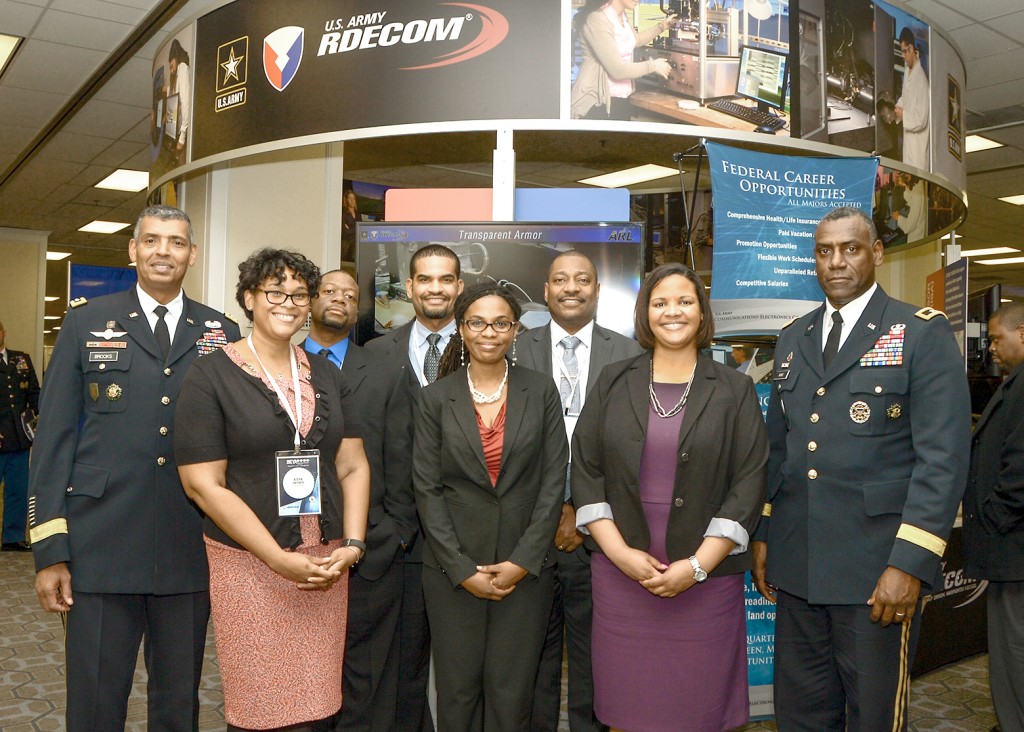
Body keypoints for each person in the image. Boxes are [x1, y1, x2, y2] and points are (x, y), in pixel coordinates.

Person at [751, 206, 971, 732]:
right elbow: (779, 451)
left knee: (873, 717)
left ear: (875, 254)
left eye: (850, 248)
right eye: (824, 251)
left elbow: (943, 460)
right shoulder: (793, 337)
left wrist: (910, 564)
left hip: (876, 572)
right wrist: (765, 533)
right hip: (799, 562)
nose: (836, 262)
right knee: (802, 716)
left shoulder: (919, 333)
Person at [28, 205, 240, 731]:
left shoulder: (222, 330)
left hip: (188, 543)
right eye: (151, 240)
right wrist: (50, 551)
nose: (162, 251)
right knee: (96, 702)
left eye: (175, 242)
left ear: (192, 253)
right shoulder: (85, 322)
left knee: (177, 706)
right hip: (99, 542)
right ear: (133, 250)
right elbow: (53, 440)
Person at [175, 249, 370, 731]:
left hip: (324, 562)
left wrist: (352, 544)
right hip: (250, 564)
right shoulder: (211, 374)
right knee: (262, 707)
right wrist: (276, 558)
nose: (288, 303)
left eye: (299, 294)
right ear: (249, 299)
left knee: (320, 705)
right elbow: (203, 485)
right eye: (275, 292)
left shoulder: (326, 374)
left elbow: (353, 465)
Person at [572, 262, 769, 732]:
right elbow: (586, 470)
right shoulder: (612, 381)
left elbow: (749, 480)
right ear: (646, 314)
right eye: (660, 303)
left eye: (685, 301)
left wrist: (698, 565)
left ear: (702, 313)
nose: (672, 312)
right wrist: (619, 553)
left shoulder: (735, 389)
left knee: (699, 708)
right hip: (623, 576)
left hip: (706, 575)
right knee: (630, 706)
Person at [412, 283, 568, 731]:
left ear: (515, 330)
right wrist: (461, 568)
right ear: (462, 328)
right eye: (477, 322)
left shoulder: (540, 392)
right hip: (452, 571)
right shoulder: (435, 398)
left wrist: (523, 560)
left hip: (525, 569)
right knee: (457, 692)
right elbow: (427, 489)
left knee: (510, 691)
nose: (489, 332)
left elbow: (552, 482)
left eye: (501, 323)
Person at [517, 251, 641, 732]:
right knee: (531, 663)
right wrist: (549, 511)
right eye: (560, 280)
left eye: (583, 280)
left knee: (596, 663)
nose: (572, 288)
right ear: (545, 291)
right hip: (527, 536)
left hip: (604, 538)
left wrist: (579, 508)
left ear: (596, 292)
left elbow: (633, 449)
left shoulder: (630, 355)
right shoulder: (514, 348)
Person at [304, 269, 418, 732]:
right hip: (293, 550)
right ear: (310, 300)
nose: (340, 300)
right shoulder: (275, 363)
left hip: (370, 546)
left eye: (350, 296)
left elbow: (404, 453)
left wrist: (396, 534)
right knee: (303, 672)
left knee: (364, 674)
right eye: (329, 291)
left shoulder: (387, 370)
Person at [366, 243, 464, 732]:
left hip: (470, 535)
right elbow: (362, 445)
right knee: (401, 664)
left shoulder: (484, 348)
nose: (435, 288)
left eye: (445, 279)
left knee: (464, 669)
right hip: (400, 538)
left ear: (459, 287)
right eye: (425, 279)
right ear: (409, 287)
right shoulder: (374, 354)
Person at [963, 301, 1024, 732]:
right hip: (1010, 549)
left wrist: (992, 517)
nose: (992, 349)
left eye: (997, 338)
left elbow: (1019, 470)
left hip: (1014, 549)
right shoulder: (1014, 384)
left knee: (1014, 649)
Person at [570, 0, 673, 120]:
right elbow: (617, 70)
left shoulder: (621, 16)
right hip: (598, 103)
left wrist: (662, 26)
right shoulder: (596, 19)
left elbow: (636, 40)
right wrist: (653, 66)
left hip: (621, 99)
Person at [0, 319, 40, 551]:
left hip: (18, 436)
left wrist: (41, 420)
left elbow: (34, 393)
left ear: (4, 332)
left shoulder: (21, 359)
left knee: (18, 489)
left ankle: (12, 537)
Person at [895, 28, 929, 170]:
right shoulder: (909, 71)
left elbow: (922, 119)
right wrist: (896, 108)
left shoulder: (921, 79)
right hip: (909, 151)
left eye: (904, 51)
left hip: (918, 155)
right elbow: (906, 97)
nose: (903, 56)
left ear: (912, 48)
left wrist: (904, 115)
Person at [168, 38, 191, 166]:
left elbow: (185, 103)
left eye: (171, 66)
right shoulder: (180, 71)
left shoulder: (182, 69)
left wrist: (181, 138)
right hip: (183, 131)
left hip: (185, 133)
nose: (171, 70)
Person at [891, 171, 927, 243]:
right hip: (919, 235)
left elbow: (909, 227)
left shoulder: (917, 195)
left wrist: (898, 217)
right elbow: (911, 199)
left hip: (916, 239)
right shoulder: (918, 185)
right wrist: (903, 185)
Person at [341, 189, 360, 264]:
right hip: (347, 242)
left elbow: (361, 229)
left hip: (356, 241)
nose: (352, 201)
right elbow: (346, 231)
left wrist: (351, 228)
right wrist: (356, 229)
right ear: (346, 200)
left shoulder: (358, 214)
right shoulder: (343, 213)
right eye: (350, 198)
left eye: (353, 199)